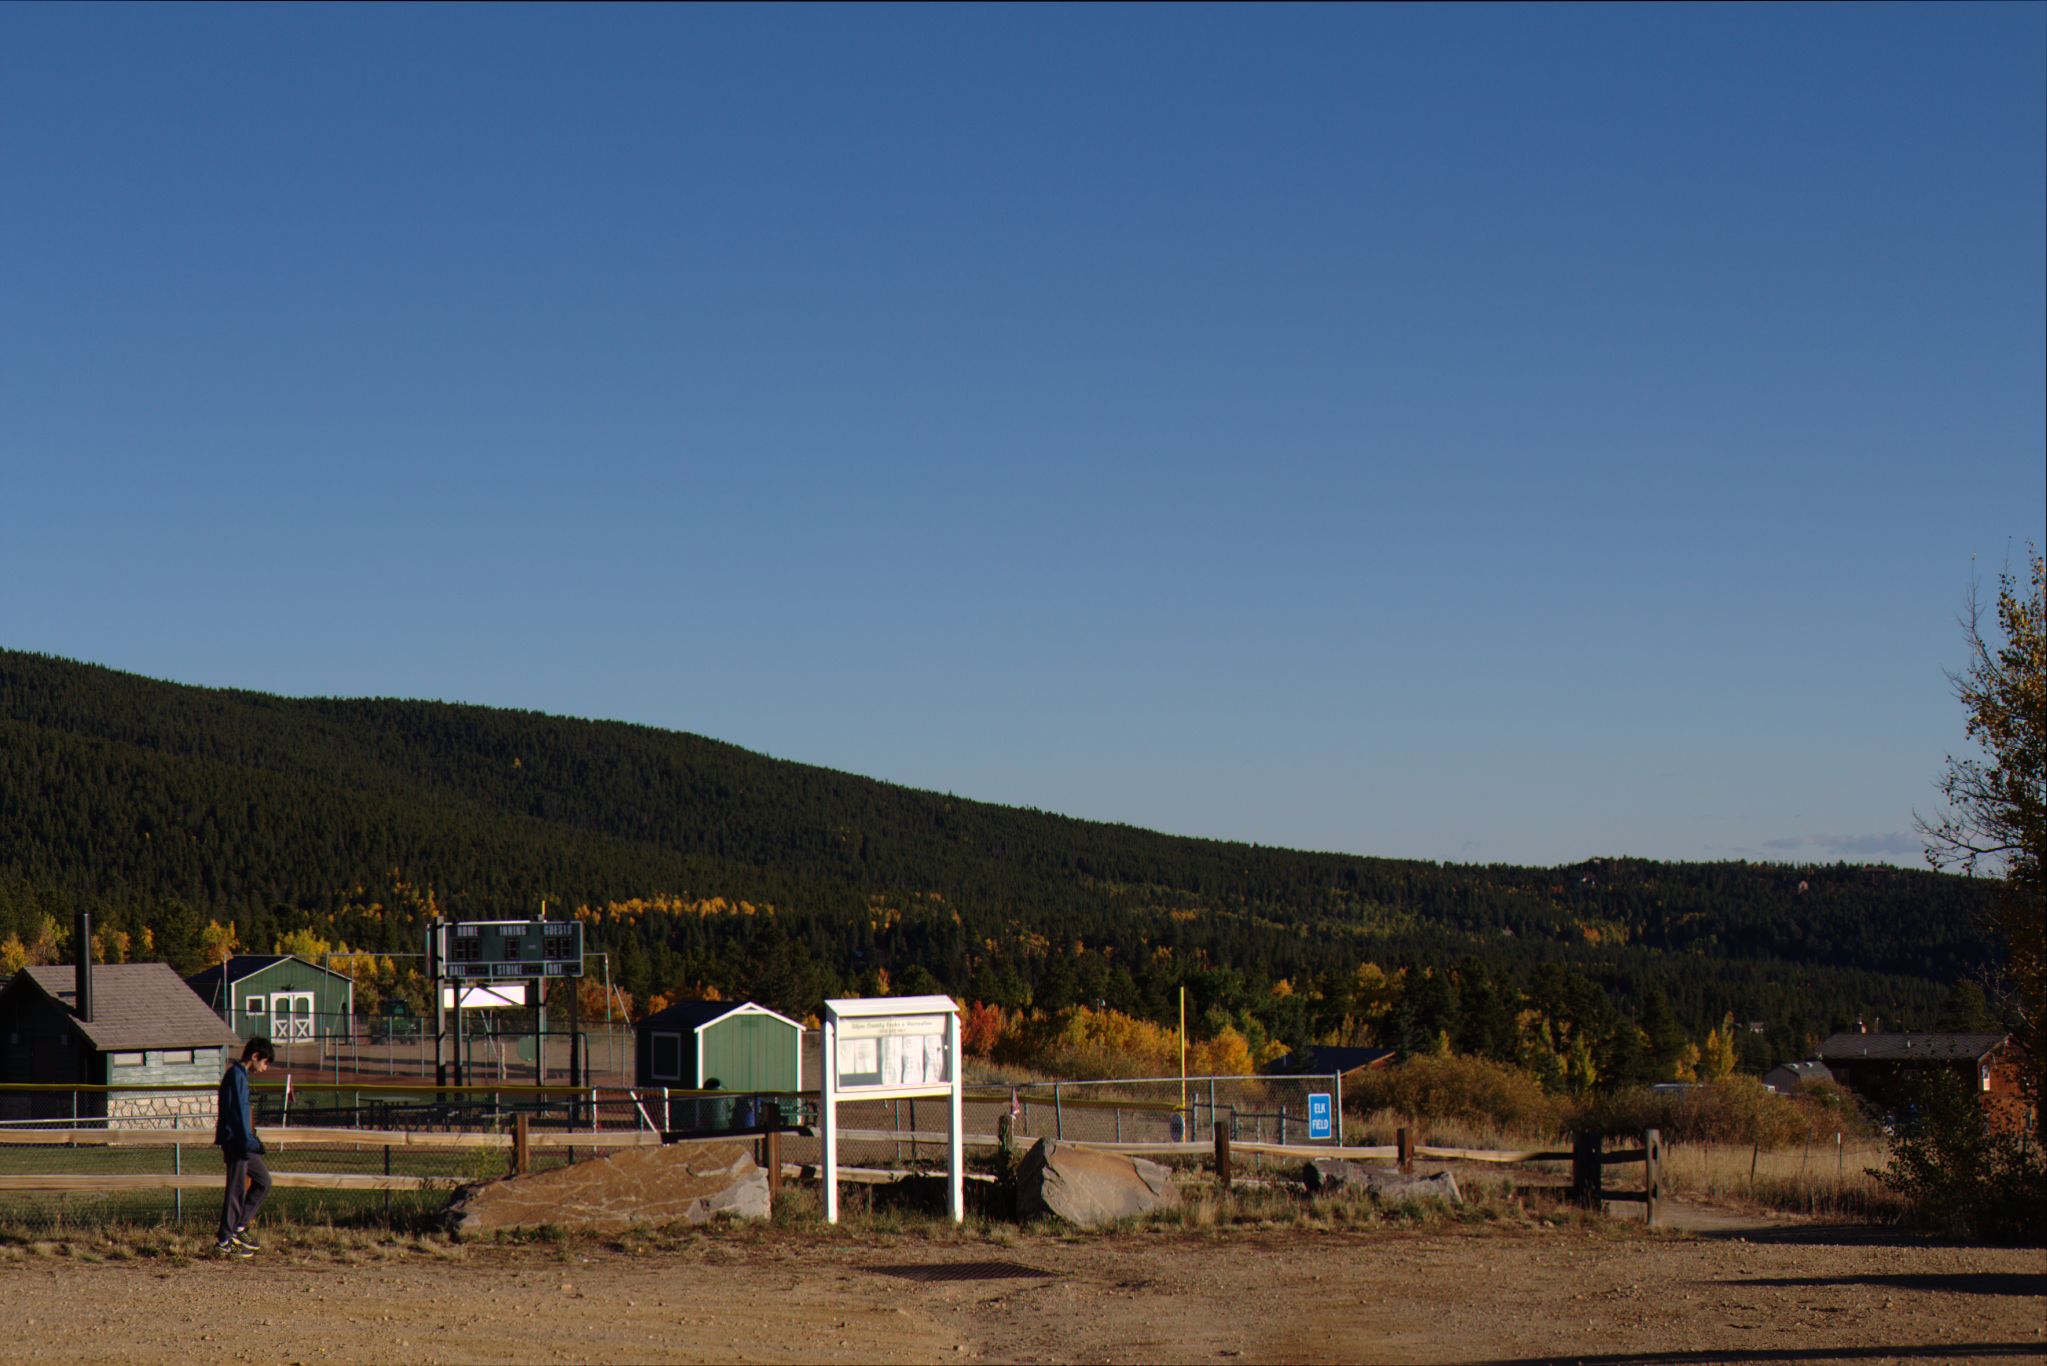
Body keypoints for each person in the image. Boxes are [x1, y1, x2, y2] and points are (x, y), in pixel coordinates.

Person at [213, 1037, 274, 1257]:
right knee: (236, 1191)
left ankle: (238, 1227)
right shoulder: (236, 1076)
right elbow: (238, 1113)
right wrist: (251, 1143)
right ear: (255, 1057)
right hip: (237, 1143)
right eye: (265, 1062)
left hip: (243, 1142)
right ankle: (224, 1242)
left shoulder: (240, 1076)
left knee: (263, 1181)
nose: (265, 1068)